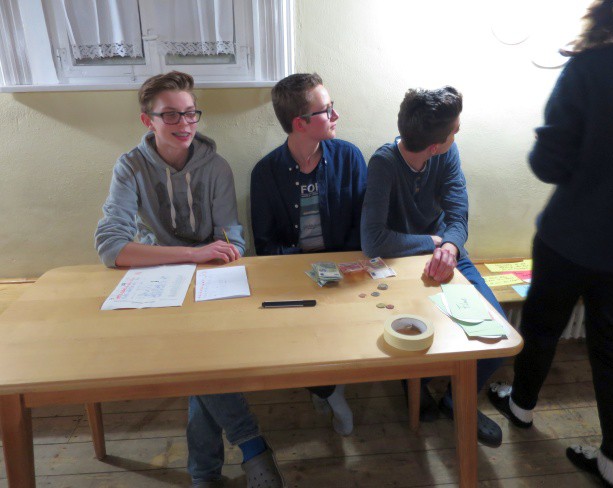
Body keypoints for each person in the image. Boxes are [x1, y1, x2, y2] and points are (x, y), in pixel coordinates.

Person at [487, 2, 613, 486]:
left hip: (570, 239)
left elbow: (548, 165)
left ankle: (521, 407)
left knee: (542, 327)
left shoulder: (591, 67)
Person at [95, 71, 284, 488]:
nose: (184, 124)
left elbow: (232, 240)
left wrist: (212, 254)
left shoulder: (216, 167)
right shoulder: (129, 167)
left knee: (201, 367)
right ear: (148, 121)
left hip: (211, 279)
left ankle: (206, 473)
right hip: (159, 282)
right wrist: (192, 254)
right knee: (203, 364)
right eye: (170, 115)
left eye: (190, 113)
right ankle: (250, 447)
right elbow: (111, 248)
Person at [360, 86, 505, 448]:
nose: (458, 133)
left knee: (497, 336)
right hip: (402, 261)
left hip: (446, 251)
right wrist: (433, 242)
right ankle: (416, 383)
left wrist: (450, 246)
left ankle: (458, 399)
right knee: (417, 332)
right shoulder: (383, 163)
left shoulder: (447, 153)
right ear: (434, 146)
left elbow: (458, 214)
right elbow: (373, 242)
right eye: (455, 129)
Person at [250, 73, 367, 436]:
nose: (336, 116)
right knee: (297, 331)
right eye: (326, 110)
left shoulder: (349, 157)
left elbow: (361, 226)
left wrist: (336, 270)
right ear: (300, 123)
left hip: (345, 271)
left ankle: (328, 389)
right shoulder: (266, 172)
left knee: (348, 323)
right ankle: (329, 392)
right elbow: (265, 245)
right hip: (292, 276)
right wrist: (308, 271)